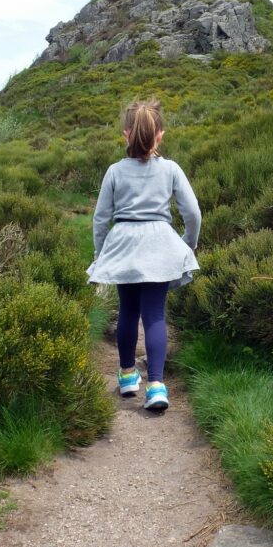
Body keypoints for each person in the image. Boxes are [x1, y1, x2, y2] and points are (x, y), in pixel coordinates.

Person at [86, 99, 202, 412]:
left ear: (125, 134)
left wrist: (101, 255)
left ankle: (126, 377)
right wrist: (187, 244)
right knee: (155, 315)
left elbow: (100, 219)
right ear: (160, 135)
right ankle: (156, 386)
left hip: (123, 242)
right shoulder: (171, 169)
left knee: (128, 312)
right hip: (160, 243)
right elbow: (192, 213)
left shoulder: (114, 171)